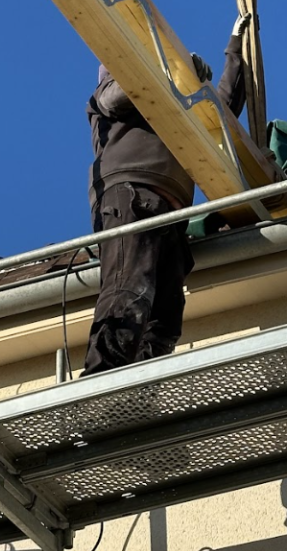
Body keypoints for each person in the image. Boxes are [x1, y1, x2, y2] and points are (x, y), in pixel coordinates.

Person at [81, 19, 248, 375]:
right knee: (128, 293)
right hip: (132, 199)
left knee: (165, 319)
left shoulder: (180, 111)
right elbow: (120, 93)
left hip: (169, 218)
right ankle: (100, 380)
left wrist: (236, 49)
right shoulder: (104, 99)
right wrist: (176, 69)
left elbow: (222, 113)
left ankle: (140, 389)